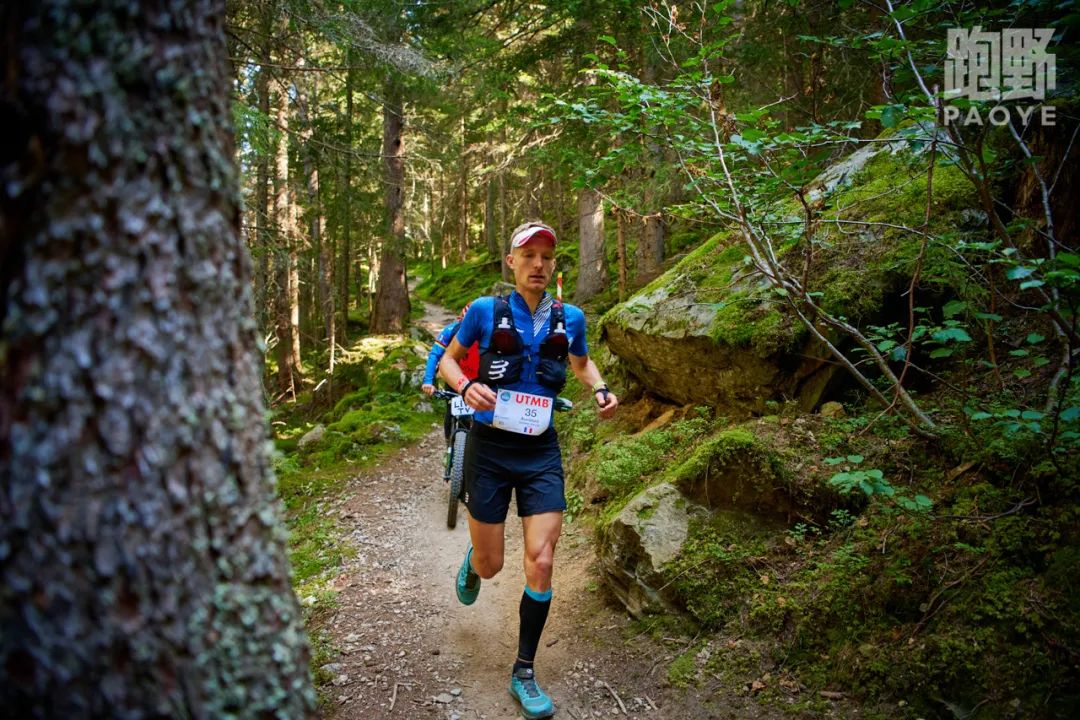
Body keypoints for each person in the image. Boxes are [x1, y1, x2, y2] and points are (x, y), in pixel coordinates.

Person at [438, 220, 618, 720]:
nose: (538, 265)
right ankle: (475, 556)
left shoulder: (571, 317)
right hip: (489, 449)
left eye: (547, 257)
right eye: (529, 256)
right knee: (492, 565)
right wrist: (463, 386)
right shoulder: (483, 311)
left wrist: (600, 388)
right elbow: (448, 363)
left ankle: (523, 671)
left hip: (541, 451)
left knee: (541, 558)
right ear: (511, 262)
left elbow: (582, 364)